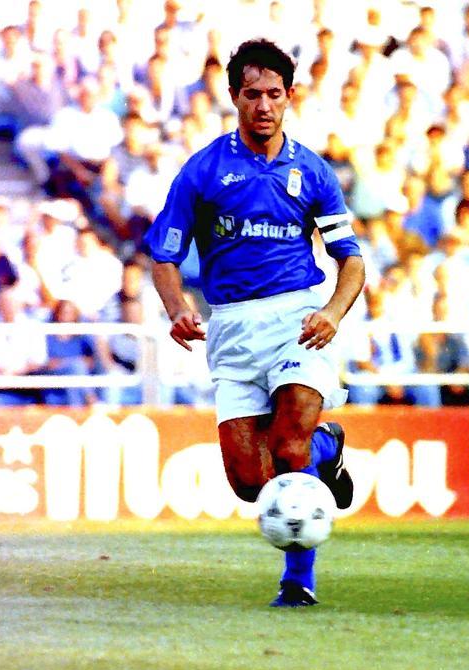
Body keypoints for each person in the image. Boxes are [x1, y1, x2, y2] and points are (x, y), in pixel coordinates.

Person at [144, 39, 364, 609]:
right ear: (233, 97)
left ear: (289, 97)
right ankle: (328, 447)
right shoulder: (203, 170)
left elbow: (352, 260)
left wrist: (332, 313)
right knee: (250, 482)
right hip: (232, 330)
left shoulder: (313, 172)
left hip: (297, 319)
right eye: (251, 95)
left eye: (273, 94)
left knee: (288, 447)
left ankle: (298, 583)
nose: (262, 105)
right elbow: (164, 256)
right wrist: (176, 310)